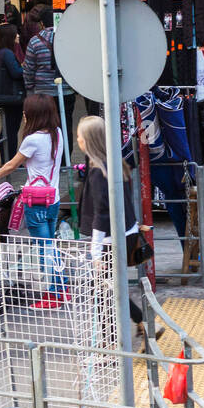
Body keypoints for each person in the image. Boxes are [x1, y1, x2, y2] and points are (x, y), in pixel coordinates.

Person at [0, 93, 66, 307]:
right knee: (50, 245)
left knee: (45, 248)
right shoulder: (57, 133)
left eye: (27, 111)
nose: (24, 114)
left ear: (34, 114)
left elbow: (12, 165)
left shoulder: (32, 139)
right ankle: (61, 289)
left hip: (35, 203)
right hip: (52, 199)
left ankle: (54, 294)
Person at [74, 116, 156, 342]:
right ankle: (143, 324)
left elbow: (102, 212)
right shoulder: (117, 164)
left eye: (80, 135)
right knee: (111, 289)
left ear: (88, 141)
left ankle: (113, 346)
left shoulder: (99, 171)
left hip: (110, 241)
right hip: (126, 236)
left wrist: (96, 250)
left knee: (103, 293)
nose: (77, 139)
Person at [21, 6, 75, 129]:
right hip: (66, 91)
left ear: (41, 23)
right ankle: (66, 148)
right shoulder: (69, 39)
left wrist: (30, 89)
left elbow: (28, 70)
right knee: (66, 126)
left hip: (43, 95)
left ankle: (50, 148)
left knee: (45, 127)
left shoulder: (34, 42)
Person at [0, 24, 26, 158]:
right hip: (12, 97)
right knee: (11, 129)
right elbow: (16, 73)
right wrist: (27, 68)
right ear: (9, 37)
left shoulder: (1, 52)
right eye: (15, 33)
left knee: (9, 128)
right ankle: (9, 158)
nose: (18, 36)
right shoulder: (7, 53)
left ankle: (9, 157)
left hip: (7, 95)